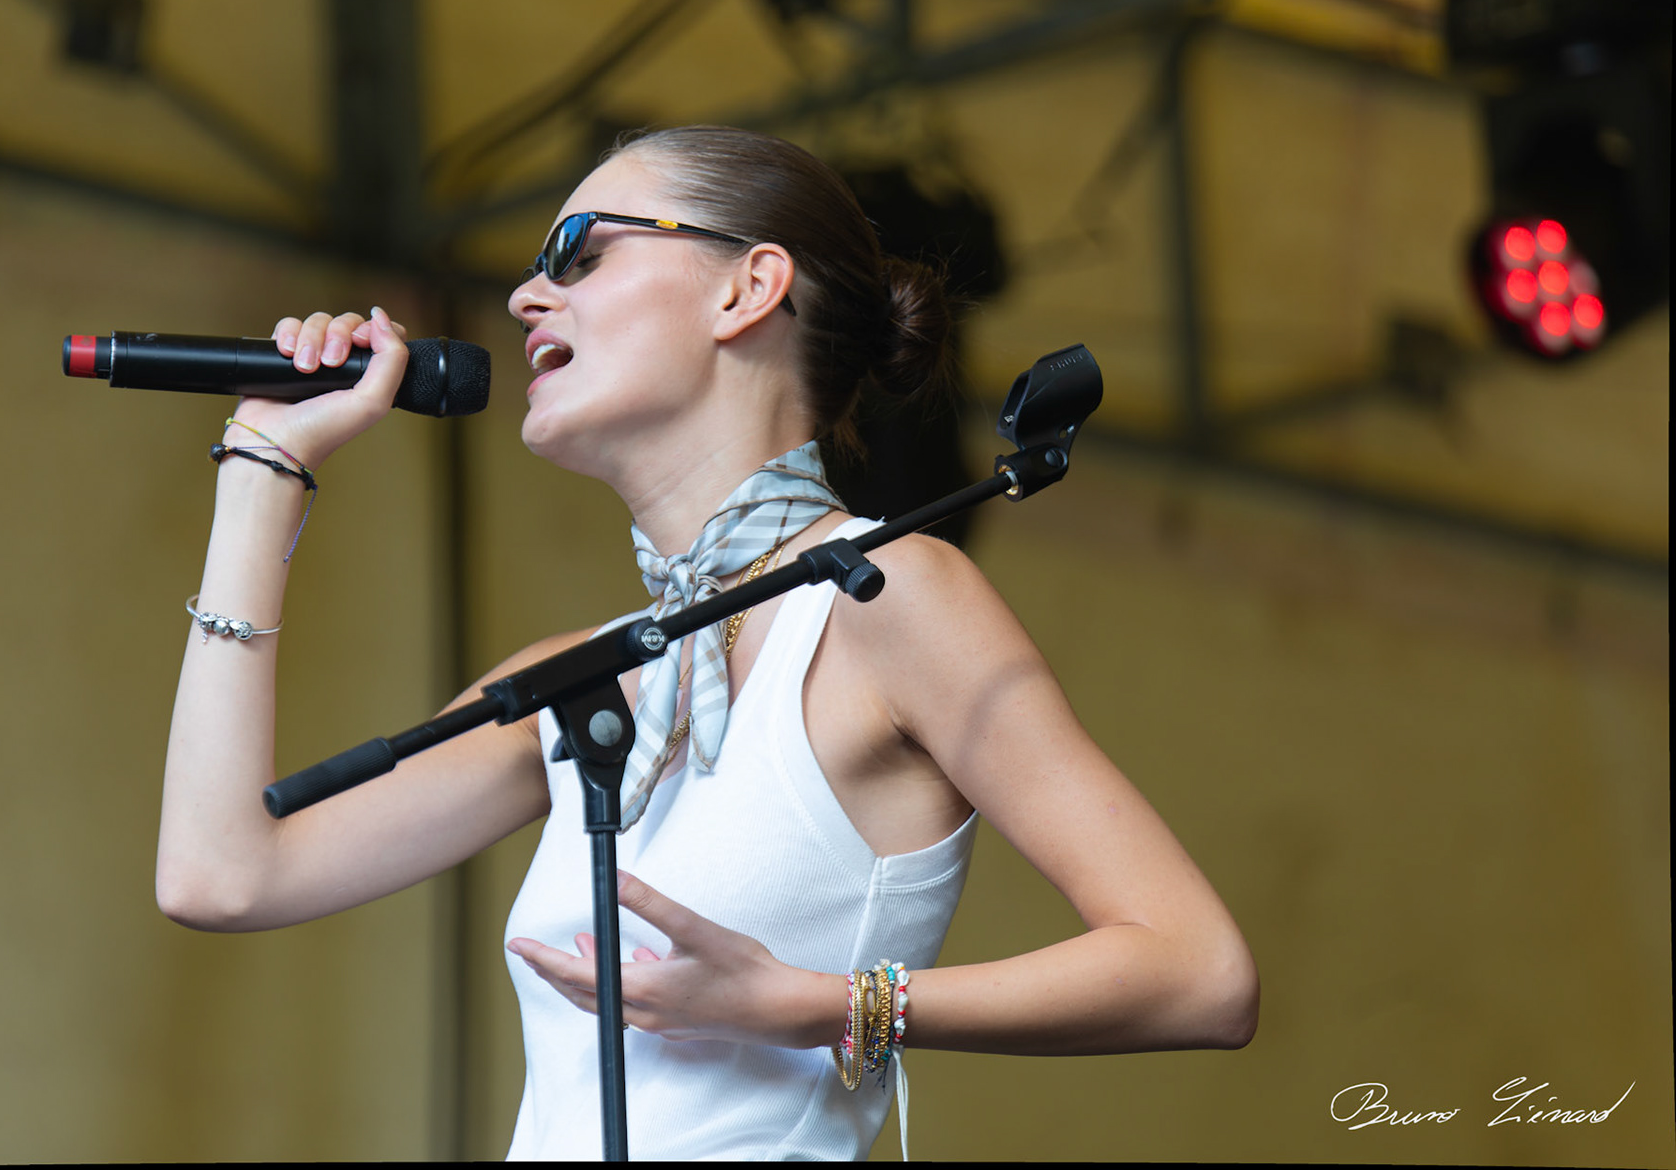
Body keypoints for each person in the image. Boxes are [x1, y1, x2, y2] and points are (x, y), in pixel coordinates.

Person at [156, 125, 1258, 1160]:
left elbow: (1198, 971)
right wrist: (264, 463)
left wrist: (820, 1004)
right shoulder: (579, 675)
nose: (527, 294)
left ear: (748, 287)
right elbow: (221, 876)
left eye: (581, 253)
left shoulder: (886, 592)